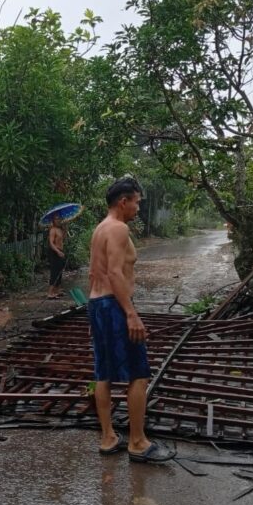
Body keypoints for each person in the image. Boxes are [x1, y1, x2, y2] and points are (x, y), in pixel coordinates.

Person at [87, 177, 175, 462]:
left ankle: (108, 437)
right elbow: (115, 273)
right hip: (114, 305)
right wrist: (131, 314)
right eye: (136, 201)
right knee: (139, 373)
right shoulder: (119, 228)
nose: (138, 207)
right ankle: (137, 442)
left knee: (104, 373)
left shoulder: (101, 228)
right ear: (123, 202)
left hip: (97, 303)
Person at [47, 215, 66, 299]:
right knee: (54, 272)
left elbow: (63, 239)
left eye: (59, 218)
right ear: (53, 220)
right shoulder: (53, 230)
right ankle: (50, 292)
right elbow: (51, 243)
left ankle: (57, 290)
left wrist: (66, 228)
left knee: (60, 271)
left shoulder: (60, 229)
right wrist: (57, 251)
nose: (58, 220)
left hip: (60, 251)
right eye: (56, 219)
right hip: (55, 252)